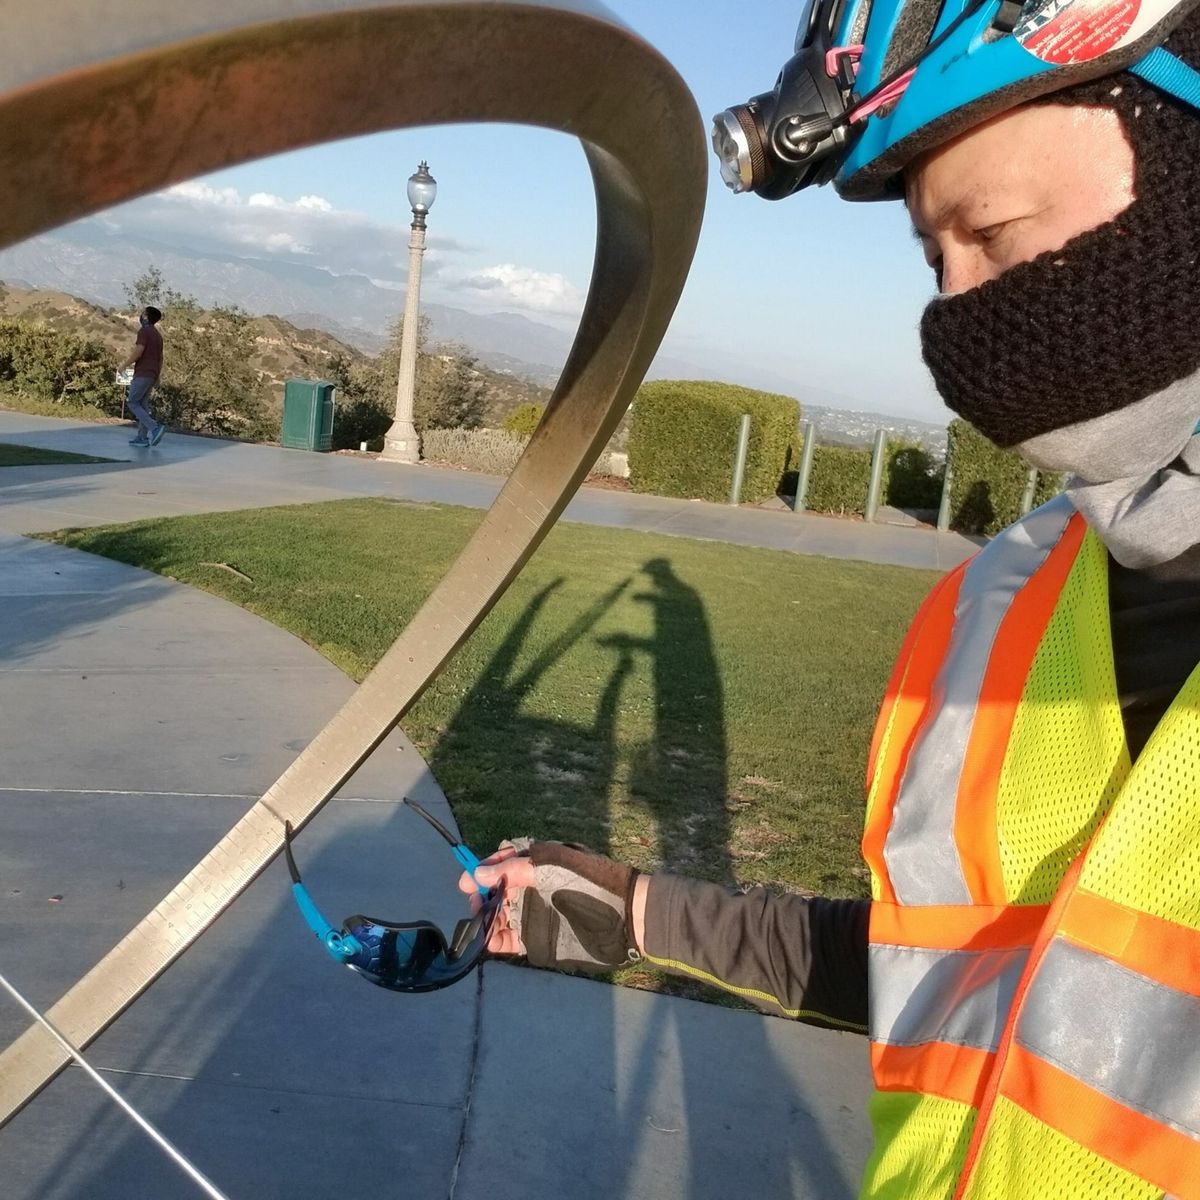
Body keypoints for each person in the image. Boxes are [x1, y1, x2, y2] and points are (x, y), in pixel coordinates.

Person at [462, 0, 1200, 1195]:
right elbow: (960, 968)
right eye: (934, 259)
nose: (962, 315)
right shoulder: (996, 610)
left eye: (993, 232)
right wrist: (634, 911)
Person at [120, 305, 165, 448]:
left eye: (143, 313)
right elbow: (160, 358)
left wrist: (124, 365)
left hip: (143, 372)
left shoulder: (144, 331)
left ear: (146, 317)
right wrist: (157, 377)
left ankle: (155, 428)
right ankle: (142, 437)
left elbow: (139, 351)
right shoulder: (158, 335)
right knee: (143, 405)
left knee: (133, 402)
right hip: (152, 374)